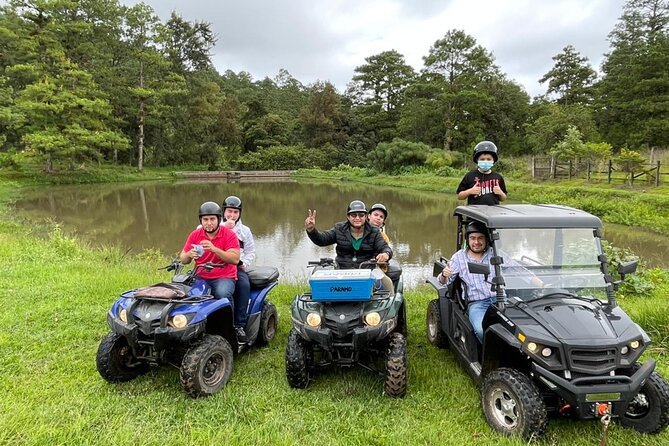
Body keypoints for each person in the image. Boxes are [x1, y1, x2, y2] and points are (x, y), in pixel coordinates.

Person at [438, 221, 540, 343]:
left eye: (480, 238)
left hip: (500, 299)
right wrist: (444, 274)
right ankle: (489, 357)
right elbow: (442, 281)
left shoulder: (494, 253)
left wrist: (539, 282)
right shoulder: (459, 257)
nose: (476, 242)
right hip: (477, 304)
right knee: (481, 330)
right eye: (473, 238)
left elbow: (517, 268)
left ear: (487, 239)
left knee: (520, 329)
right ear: (467, 240)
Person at [305, 200, 394, 293]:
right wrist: (311, 230)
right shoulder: (339, 228)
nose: (357, 218)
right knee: (317, 289)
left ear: (366, 216)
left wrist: (385, 254)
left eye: (361, 215)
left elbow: (384, 247)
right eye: (354, 215)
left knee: (387, 284)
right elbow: (322, 240)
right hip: (341, 270)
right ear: (348, 216)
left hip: (368, 271)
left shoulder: (374, 232)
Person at [179, 202, 241, 334]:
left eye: (212, 219)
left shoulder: (229, 234)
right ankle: (191, 328)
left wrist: (214, 249)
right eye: (205, 219)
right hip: (201, 276)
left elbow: (235, 259)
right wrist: (189, 255)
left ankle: (230, 328)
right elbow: (183, 259)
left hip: (224, 276)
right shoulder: (195, 235)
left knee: (222, 294)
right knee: (188, 296)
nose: (209, 223)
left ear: (219, 219)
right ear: (200, 220)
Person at [221, 195, 255, 342]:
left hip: (236, 267)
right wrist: (223, 228)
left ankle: (239, 325)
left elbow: (250, 251)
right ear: (223, 211)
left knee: (243, 285)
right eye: (229, 211)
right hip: (212, 267)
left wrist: (244, 263)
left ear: (240, 213)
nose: (232, 215)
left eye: (235, 212)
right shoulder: (211, 225)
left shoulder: (245, 231)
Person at [457, 141, 508, 205]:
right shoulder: (470, 176)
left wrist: (500, 193)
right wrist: (470, 191)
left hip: (493, 213)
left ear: (493, 160)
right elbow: (459, 197)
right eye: (482, 159)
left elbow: (503, 199)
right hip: (474, 212)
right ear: (477, 160)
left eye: (489, 159)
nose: (485, 161)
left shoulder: (498, 177)